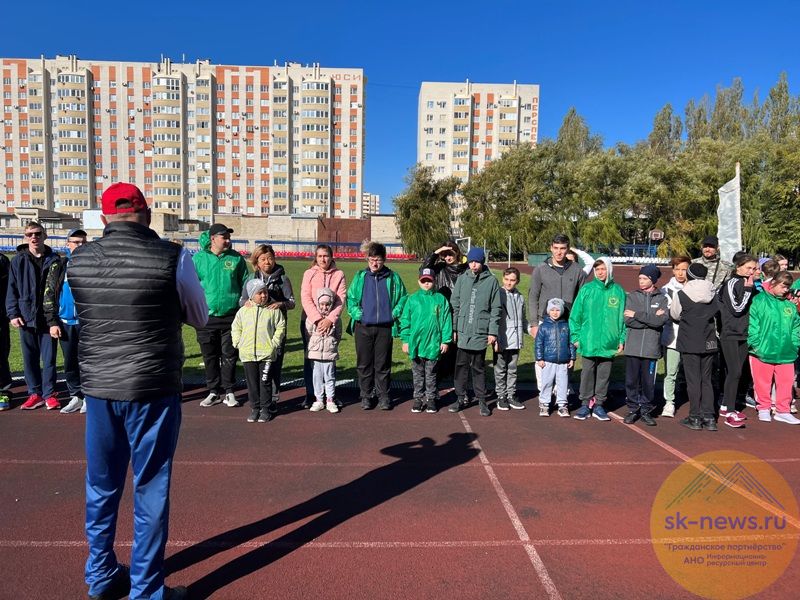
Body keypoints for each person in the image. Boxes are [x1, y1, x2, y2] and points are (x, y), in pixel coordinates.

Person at [69, 182, 208, 600]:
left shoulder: (79, 259)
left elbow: (81, 314)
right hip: (152, 386)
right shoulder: (173, 256)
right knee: (150, 487)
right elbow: (199, 316)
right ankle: (146, 590)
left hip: (100, 386)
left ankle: (100, 574)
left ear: (103, 217)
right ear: (146, 214)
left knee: (101, 485)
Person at [5, 221, 60, 410]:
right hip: (26, 316)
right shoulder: (18, 261)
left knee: (49, 358)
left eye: (37, 233)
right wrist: (13, 313)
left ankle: (49, 394)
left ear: (45, 235)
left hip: (48, 318)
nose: (34, 237)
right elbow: (11, 289)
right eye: (30, 234)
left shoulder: (55, 260)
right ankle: (35, 393)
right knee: (29, 358)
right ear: (25, 237)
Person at [193, 223, 249, 408]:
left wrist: (243, 305)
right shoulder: (198, 259)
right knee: (209, 356)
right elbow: (191, 286)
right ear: (213, 239)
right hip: (206, 317)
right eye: (224, 237)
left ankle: (229, 391)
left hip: (231, 316)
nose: (228, 241)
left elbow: (245, 284)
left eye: (228, 237)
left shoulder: (236, 259)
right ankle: (213, 392)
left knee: (230, 356)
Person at [346, 242, 407, 411]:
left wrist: (394, 313)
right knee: (364, 363)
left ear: (384, 259)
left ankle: (384, 396)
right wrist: (359, 315)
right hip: (363, 327)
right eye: (371, 259)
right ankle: (366, 395)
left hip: (385, 328)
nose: (374, 263)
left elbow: (403, 297)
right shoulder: (360, 277)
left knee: (383, 364)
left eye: (378, 260)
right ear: (367, 259)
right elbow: (350, 299)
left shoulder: (393, 277)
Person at [528, 234, 586, 393]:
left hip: (568, 322)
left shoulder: (577, 271)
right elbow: (533, 296)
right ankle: (544, 392)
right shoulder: (540, 269)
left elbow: (582, 300)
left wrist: (580, 324)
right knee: (542, 357)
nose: (559, 252)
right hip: (544, 321)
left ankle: (562, 389)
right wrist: (534, 323)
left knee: (567, 356)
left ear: (567, 249)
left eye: (562, 248)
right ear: (551, 248)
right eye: (556, 248)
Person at [569, 257, 625, 421]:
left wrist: (621, 339)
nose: (600, 272)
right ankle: (585, 404)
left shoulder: (618, 291)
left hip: (609, 342)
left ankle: (599, 404)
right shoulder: (587, 289)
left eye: (603, 269)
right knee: (587, 373)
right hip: (589, 340)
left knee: (604, 375)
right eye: (597, 269)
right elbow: (575, 315)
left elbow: (623, 319)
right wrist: (576, 337)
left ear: (609, 269)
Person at [241, 244, 295, 414]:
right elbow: (241, 301)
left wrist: (280, 304)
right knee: (257, 369)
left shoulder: (283, 279)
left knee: (274, 365)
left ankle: (272, 400)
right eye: (263, 259)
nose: (267, 262)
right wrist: (247, 303)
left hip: (275, 330)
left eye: (270, 258)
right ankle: (258, 402)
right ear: (256, 261)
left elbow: (292, 302)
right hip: (255, 332)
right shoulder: (251, 279)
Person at [449, 247, 501, 416]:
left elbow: (496, 308)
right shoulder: (462, 279)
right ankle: (460, 397)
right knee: (460, 368)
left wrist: (492, 332)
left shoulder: (491, 281)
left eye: (477, 262)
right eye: (471, 261)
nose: (473, 265)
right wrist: (454, 328)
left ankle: (482, 400)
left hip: (480, 332)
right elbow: (455, 304)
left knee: (478, 368)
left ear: (482, 262)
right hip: (463, 331)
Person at [42, 228, 88, 414]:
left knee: (87, 361)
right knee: (70, 362)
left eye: (83, 242)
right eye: (76, 242)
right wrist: (52, 322)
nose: (80, 245)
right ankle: (76, 396)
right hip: (65, 322)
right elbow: (49, 294)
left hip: (87, 323)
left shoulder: (94, 265)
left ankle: (89, 397)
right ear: (68, 244)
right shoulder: (59, 265)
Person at [671, 263, 720, 431]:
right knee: (707, 379)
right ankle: (709, 417)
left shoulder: (682, 294)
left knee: (693, 380)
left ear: (689, 275)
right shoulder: (713, 293)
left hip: (690, 339)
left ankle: (695, 417)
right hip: (709, 340)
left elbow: (674, 314)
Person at [748, 271, 800, 424]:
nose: (786, 290)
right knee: (762, 382)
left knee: (786, 382)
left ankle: (783, 410)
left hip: (786, 351)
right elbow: (753, 325)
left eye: (788, 287)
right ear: (773, 283)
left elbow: (796, 327)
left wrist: (794, 344)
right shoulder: (759, 300)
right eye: (783, 286)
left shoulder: (789, 305)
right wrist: (756, 345)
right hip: (762, 350)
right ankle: (763, 408)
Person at [232, 279, 287, 423]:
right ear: (251, 295)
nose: (263, 295)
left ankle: (265, 409)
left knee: (265, 382)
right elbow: (236, 327)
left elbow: (280, 326)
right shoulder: (243, 311)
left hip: (266, 354)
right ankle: (255, 408)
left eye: (265, 292)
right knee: (252, 383)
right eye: (260, 293)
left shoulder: (273, 311)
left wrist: (274, 343)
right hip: (248, 354)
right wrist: (238, 343)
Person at [399, 267, 452, 414]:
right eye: (424, 281)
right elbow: (405, 321)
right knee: (418, 374)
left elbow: (446, 321)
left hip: (433, 344)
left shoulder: (440, 299)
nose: (426, 283)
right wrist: (405, 340)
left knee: (431, 374)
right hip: (416, 344)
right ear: (419, 282)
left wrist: (445, 340)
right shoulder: (413, 299)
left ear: (434, 281)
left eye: (429, 281)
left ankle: (431, 399)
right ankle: (418, 399)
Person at [300, 244, 347, 409]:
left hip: (331, 322)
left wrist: (330, 320)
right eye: (319, 256)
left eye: (326, 256)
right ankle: (312, 395)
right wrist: (318, 319)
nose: (323, 259)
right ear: (316, 257)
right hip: (310, 321)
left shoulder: (339, 274)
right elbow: (305, 297)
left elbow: (341, 298)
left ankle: (330, 396)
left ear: (331, 257)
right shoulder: (309, 273)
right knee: (311, 357)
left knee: (329, 357)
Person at [622, 265, 669, 426]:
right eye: (640, 278)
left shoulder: (662, 299)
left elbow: (660, 322)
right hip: (633, 347)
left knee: (648, 382)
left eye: (644, 278)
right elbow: (628, 321)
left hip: (651, 349)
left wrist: (637, 315)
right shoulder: (632, 296)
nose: (641, 281)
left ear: (652, 280)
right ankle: (633, 409)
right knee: (631, 381)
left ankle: (646, 410)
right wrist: (651, 318)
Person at [717, 252, 758, 428]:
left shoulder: (752, 285)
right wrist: (748, 290)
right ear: (738, 267)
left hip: (744, 333)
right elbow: (737, 309)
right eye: (749, 268)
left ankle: (726, 405)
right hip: (730, 333)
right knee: (734, 372)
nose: (752, 271)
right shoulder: (731, 283)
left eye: (755, 268)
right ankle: (730, 412)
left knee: (737, 372)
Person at [422, 241, 467, 380]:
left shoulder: (465, 269)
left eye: (450, 254)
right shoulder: (440, 268)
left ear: (457, 252)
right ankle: (440, 378)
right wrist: (436, 253)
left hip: (461, 312)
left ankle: (458, 379)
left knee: (458, 348)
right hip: (442, 312)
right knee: (442, 346)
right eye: (444, 255)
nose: (448, 257)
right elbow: (423, 270)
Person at [659, 256, 691, 418]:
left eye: (684, 269)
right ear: (672, 270)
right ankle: (669, 402)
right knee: (671, 371)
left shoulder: (694, 288)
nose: (680, 273)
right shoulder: (666, 289)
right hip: (672, 336)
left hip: (692, 337)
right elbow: (667, 312)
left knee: (692, 372)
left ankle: (695, 401)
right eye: (677, 269)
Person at [494, 267, 527, 410]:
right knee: (500, 369)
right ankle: (501, 396)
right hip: (502, 339)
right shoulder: (498, 295)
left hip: (516, 340)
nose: (509, 283)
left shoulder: (520, 297)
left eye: (512, 280)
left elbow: (523, 319)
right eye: (506, 279)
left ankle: (511, 395)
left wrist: (531, 330)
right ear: (503, 279)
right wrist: (496, 338)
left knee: (512, 369)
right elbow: (494, 319)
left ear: (517, 281)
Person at [535, 298, 575, 417]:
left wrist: (572, 357)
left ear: (562, 311)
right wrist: (539, 358)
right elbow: (538, 344)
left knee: (563, 384)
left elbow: (571, 343)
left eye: (557, 310)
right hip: (548, 361)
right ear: (548, 311)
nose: (555, 312)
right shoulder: (544, 326)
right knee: (546, 383)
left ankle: (562, 405)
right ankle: (544, 404)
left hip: (563, 361)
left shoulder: (567, 326)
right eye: (552, 310)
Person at [306, 287, 342, 414]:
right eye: (322, 304)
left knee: (329, 377)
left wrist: (332, 345)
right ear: (317, 303)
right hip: (316, 353)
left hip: (329, 353)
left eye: (327, 304)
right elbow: (309, 332)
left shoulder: (335, 320)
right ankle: (319, 400)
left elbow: (338, 334)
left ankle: (330, 400)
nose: (324, 307)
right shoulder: (311, 318)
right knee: (317, 377)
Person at [0, 252, 10, 411]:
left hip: (0, 316)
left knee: (1, 352)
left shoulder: (2, 260)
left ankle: (2, 391)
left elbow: (10, 288)